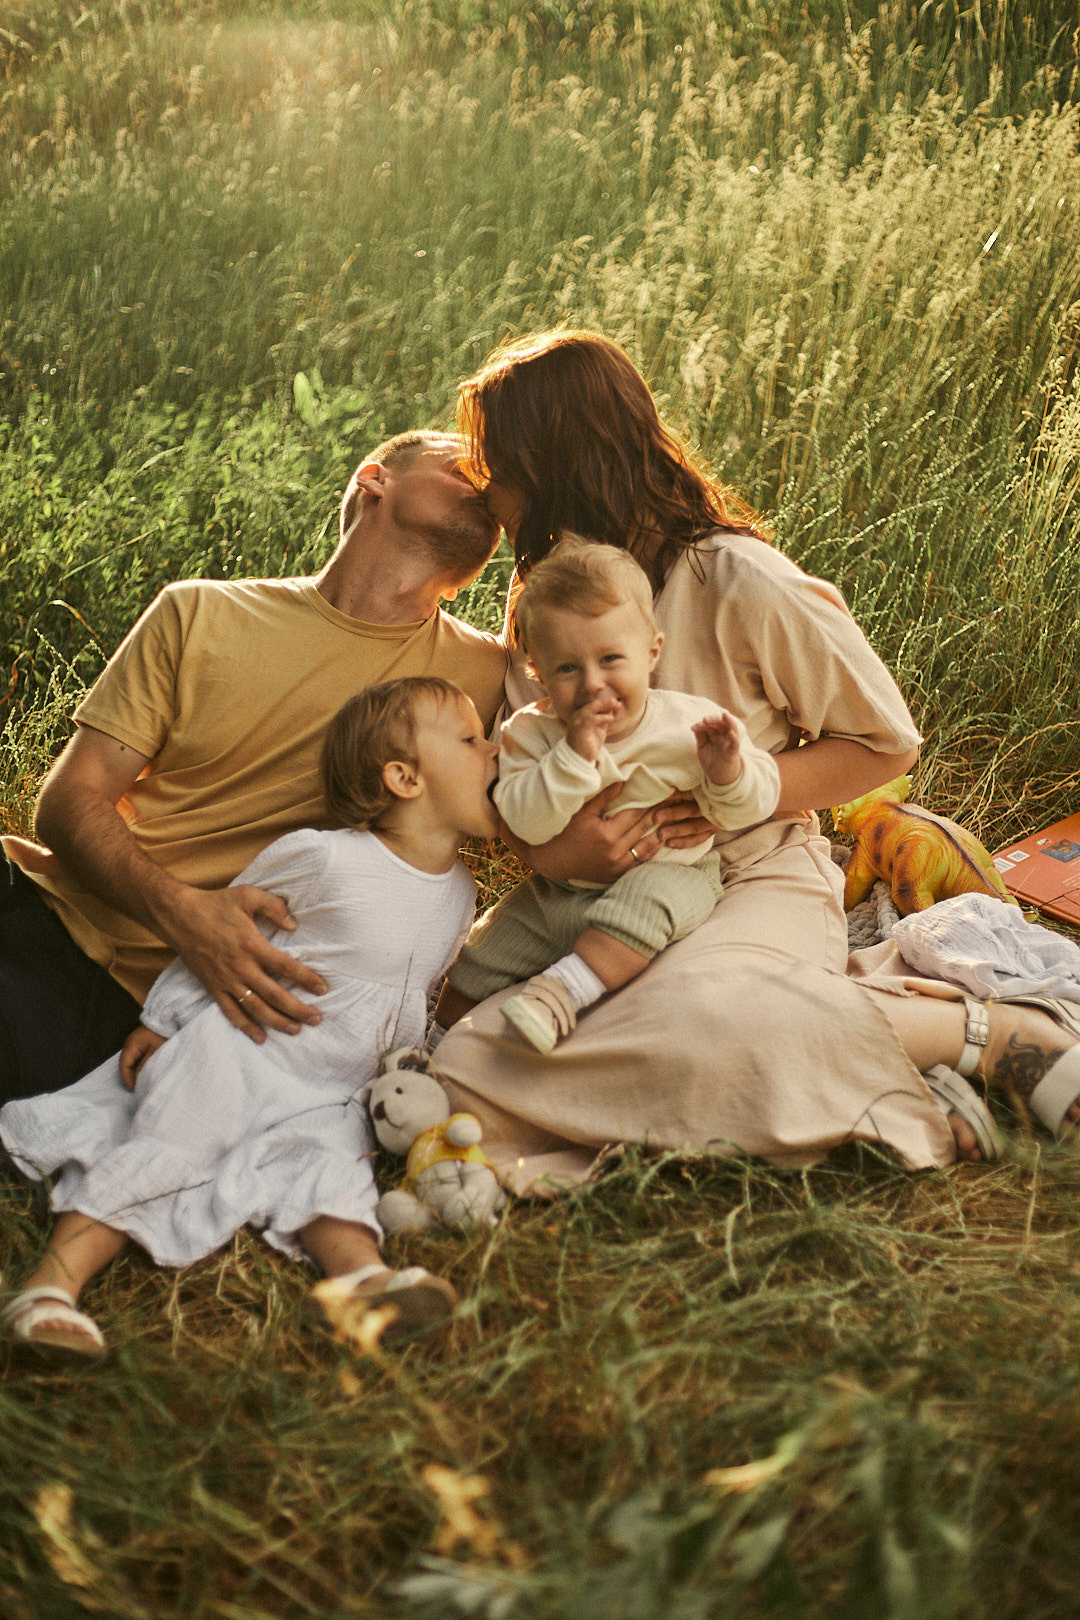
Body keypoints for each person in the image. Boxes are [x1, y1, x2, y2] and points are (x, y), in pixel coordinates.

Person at [426, 329, 1080, 1188]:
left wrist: (732, 796)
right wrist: (557, 853)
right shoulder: (545, 606)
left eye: (497, 467)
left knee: (703, 1015)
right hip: (589, 899)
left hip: (748, 873)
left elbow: (885, 743)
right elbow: (528, 784)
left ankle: (985, 1034)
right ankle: (831, 1047)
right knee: (470, 1061)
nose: (490, 493)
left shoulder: (734, 579)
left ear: (557, 462)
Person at [0, 677, 500, 1360]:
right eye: (472, 739)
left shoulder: (461, 895)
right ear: (404, 777)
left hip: (335, 1085)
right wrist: (165, 1020)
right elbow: (225, 935)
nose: (494, 748)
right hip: (246, 1050)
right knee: (163, 1148)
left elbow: (420, 995)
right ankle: (50, 1290)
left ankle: (362, 1281)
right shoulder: (326, 858)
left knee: (333, 1173)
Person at [0, 431, 507, 1103]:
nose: (488, 485)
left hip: (187, 1015)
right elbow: (70, 800)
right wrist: (186, 915)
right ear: (376, 478)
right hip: (54, 919)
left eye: (498, 482)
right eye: (464, 467)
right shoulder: (201, 612)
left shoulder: (490, 680)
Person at [439, 536, 780, 1053]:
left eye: (611, 659)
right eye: (568, 669)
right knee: (479, 957)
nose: (594, 683)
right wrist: (574, 755)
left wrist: (728, 775)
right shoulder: (529, 735)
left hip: (671, 876)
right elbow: (525, 819)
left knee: (645, 908)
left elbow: (753, 803)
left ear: (651, 652)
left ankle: (560, 993)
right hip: (560, 891)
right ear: (539, 673)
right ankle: (429, 1045)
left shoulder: (689, 724)